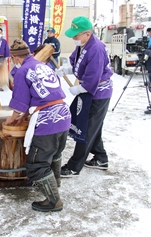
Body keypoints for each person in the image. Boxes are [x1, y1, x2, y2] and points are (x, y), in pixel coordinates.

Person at [4, 39, 71, 212]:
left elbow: (20, 103)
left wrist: (11, 120)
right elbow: (46, 95)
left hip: (47, 120)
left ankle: (53, 200)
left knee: (36, 163)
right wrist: (25, 114)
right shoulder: (43, 66)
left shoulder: (22, 71)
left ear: (14, 58)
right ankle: (54, 183)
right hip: (63, 114)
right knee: (55, 152)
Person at [60, 16, 113, 177]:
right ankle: (101, 157)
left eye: (76, 35)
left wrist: (81, 88)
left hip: (98, 92)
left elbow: (94, 76)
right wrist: (68, 70)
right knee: (94, 126)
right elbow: (80, 64)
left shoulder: (95, 48)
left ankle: (74, 166)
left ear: (87, 34)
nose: (74, 39)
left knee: (87, 129)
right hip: (89, 89)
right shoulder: (84, 45)